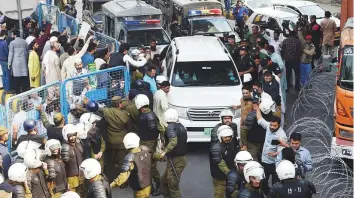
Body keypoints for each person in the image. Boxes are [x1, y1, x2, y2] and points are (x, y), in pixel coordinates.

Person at [87, 97, 132, 183]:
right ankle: (123, 182)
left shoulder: (107, 112)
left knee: (110, 162)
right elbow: (130, 128)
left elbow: (96, 108)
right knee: (122, 162)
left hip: (110, 141)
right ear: (119, 104)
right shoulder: (125, 115)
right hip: (122, 142)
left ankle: (110, 180)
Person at [255, 102, 287, 195]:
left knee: (275, 185)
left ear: (279, 125)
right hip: (265, 161)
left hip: (275, 164)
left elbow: (281, 150)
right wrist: (257, 108)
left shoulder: (281, 136)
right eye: (271, 125)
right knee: (263, 182)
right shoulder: (269, 127)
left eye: (274, 126)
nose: (272, 127)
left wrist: (275, 154)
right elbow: (260, 119)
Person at [135, 94, 164, 195]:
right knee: (150, 165)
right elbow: (161, 129)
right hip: (152, 142)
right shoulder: (153, 114)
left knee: (149, 166)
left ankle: (157, 185)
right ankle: (155, 185)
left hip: (145, 143)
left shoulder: (141, 116)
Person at [155, 108, 187, 198]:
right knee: (164, 182)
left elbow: (173, 142)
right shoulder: (181, 126)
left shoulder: (170, 128)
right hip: (176, 159)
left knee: (173, 186)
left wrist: (164, 152)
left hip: (176, 160)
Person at [110, 133, 152, 197]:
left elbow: (123, 176)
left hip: (139, 190)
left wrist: (111, 185)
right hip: (148, 186)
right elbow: (155, 157)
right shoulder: (145, 149)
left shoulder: (130, 157)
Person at [210, 126, 239, 198]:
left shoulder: (230, 145)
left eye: (229, 137)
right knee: (219, 195)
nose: (228, 139)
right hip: (219, 177)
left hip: (230, 175)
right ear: (220, 137)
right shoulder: (216, 148)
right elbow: (221, 164)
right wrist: (230, 174)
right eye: (225, 137)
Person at [61, 124, 85, 196]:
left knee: (82, 192)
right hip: (71, 177)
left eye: (74, 135)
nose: (72, 137)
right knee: (72, 194)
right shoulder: (65, 148)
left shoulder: (79, 143)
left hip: (81, 173)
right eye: (70, 136)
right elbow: (64, 165)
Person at [281, 27, 302, 91]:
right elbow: (299, 51)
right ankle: (297, 87)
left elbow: (282, 50)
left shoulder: (285, 41)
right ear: (295, 35)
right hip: (296, 60)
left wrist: (283, 57)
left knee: (288, 73)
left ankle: (287, 86)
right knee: (297, 74)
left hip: (287, 60)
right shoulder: (298, 41)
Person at [8, 29, 29, 94]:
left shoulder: (12, 43)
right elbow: (26, 53)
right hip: (23, 62)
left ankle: (17, 92)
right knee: (23, 77)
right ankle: (24, 91)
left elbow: (11, 54)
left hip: (15, 62)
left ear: (15, 35)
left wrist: (9, 63)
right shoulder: (24, 42)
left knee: (16, 78)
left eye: (12, 34)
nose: (11, 35)